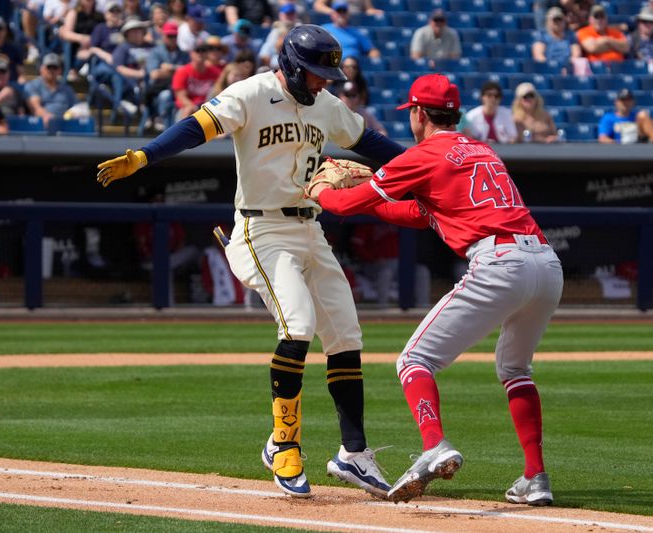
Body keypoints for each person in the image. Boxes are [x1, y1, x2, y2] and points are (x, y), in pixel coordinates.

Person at [96, 24, 405, 499]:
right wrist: (145, 155)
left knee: (345, 334)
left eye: (328, 73)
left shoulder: (326, 105)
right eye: (317, 72)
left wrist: (426, 169)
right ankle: (283, 444)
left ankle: (353, 454)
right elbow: (195, 128)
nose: (324, 81)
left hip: (310, 227)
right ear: (291, 66)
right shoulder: (252, 93)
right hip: (262, 231)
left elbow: (373, 143)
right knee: (298, 325)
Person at [307, 73, 563, 506]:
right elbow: (421, 213)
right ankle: (535, 478)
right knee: (516, 370)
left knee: (414, 360)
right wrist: (371, 197)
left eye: (412, 114)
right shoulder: (483, 149)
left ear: (420, 113)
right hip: (545, 263)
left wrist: (322, 191)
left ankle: (435, 445)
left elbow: (348, 206)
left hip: (499, 262)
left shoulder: (425, 154)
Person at [145, 20, 188, 130]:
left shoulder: (183, 54)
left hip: (180, 90)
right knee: (166, 95)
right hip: (159, 89)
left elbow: (188, 73)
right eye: (169, 36)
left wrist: (171, 68)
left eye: (174, 36)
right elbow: (155, 75)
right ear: (163, 36)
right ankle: (161, 121)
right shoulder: (156, 52)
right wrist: (179, 72)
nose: (172, 39)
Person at [172, 36, 225, 120]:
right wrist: (194, 107)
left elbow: (218, 92)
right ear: (191, 53)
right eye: (198, 50)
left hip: (207, 108)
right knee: (188, 110)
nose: (201, 53)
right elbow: (181, 97)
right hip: (187, 108)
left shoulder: (215, 72)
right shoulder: (183, 71)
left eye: (204, 51)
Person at [24, 53, 78, 126]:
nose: (51, 70)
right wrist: (48, 117)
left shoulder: (67, 89)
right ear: (41, 68)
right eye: (49, 67)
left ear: (60, 70)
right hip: (41, 126)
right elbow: (35, 107)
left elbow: (75, 108)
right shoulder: (33, 85)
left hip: (65, 126)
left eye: (55, 67)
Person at [460, 80, 518, 144]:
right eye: (489, 95)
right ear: (482, 97)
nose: (493, 99)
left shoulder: (507, 114)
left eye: (496, 96)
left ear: (500, 99)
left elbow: (513, 137)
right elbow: (468, 138)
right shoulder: (471, 116)